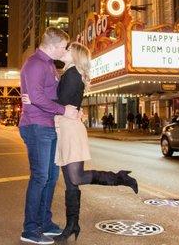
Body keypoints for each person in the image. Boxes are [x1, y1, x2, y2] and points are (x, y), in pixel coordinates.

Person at [53, 42, 138, 242]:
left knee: (76, 178)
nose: (64, 51)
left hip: (70, 130)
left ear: (75, 55)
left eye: (68, 49)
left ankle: (120, 178)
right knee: (70, 183)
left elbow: (60, 102)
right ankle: (72, 225)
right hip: (65, 128)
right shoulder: (69, 73)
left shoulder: (73, 74)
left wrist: (36, 100)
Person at [19, 27, 81, 245]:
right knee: (40, 177)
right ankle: (30, 229)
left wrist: (71, 108)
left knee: (51, 177)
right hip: (36, 126)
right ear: (54, 46)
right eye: (64, 47)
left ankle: (44, 222)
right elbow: (35, 96)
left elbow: (49, 95)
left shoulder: (48, 65)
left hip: (48, 125)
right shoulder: (35, 63)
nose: (64, 50)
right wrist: (64, 111)